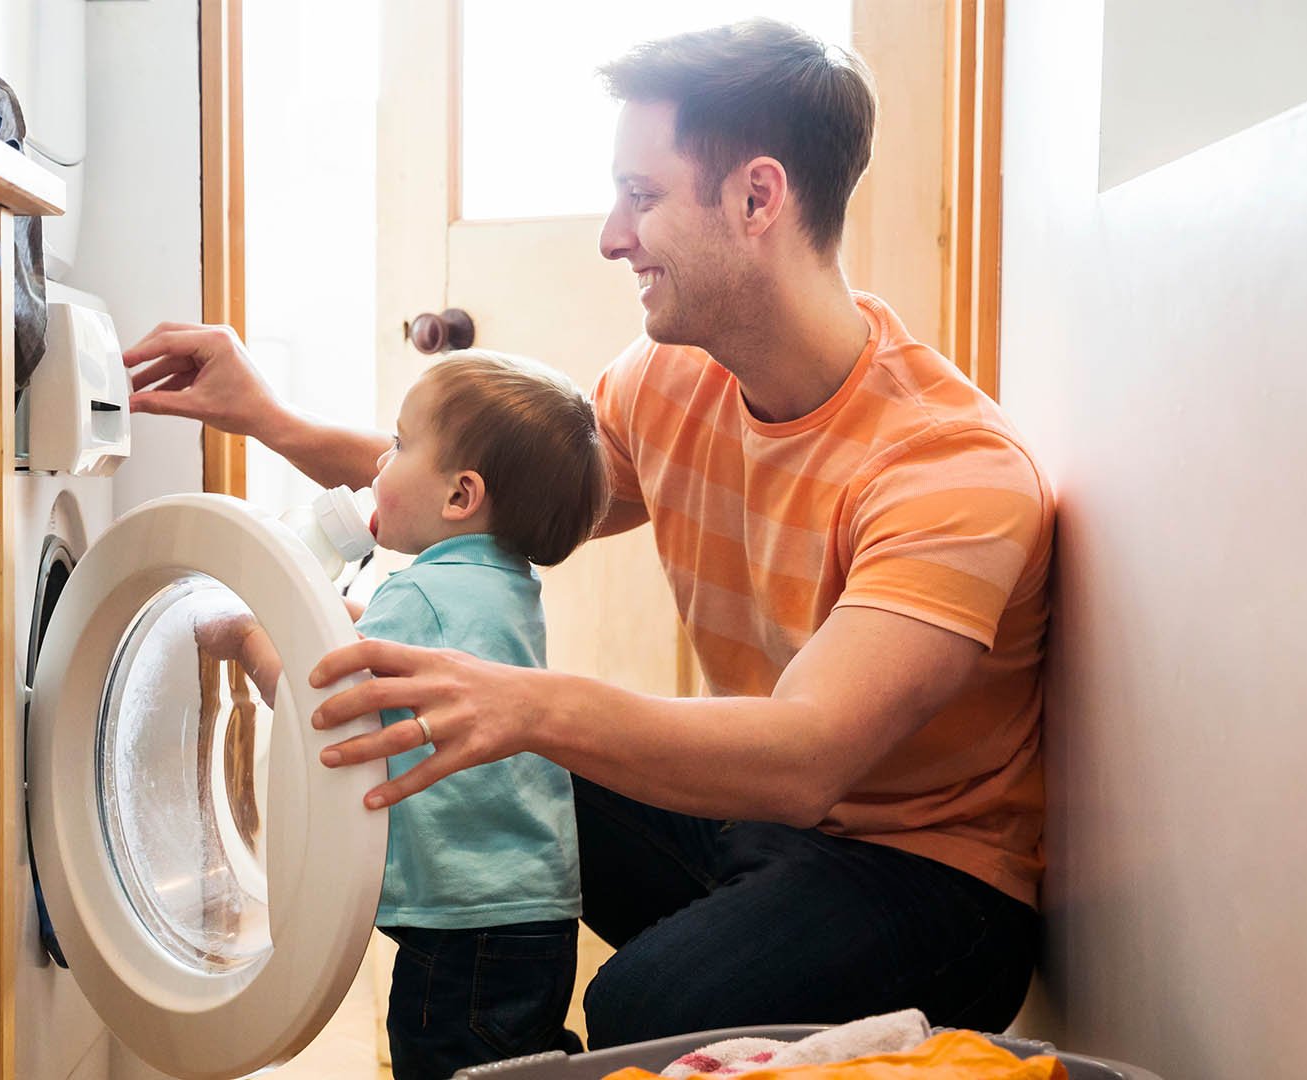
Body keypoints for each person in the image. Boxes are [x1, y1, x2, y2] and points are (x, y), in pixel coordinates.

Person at [129, 18, 1052, 1048]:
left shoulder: (948, 469)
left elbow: (808, 756)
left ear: (758, 198)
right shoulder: (674, 379)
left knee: (641, 1007)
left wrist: (522, 702)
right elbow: (489, 493)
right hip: (761, 833)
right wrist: (269, 416)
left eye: (640, 196)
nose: (612, 235)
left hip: (933, 882)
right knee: (483, 763)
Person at [197, 351, 610, 1079]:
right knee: (519, 1060)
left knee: (447, 1063)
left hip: (461, 926)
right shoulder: (502, 586)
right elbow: (387, 647)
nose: (377, 464)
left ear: (460, 496)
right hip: (529, 909)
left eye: (397, 444)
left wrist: (248, 636)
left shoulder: (420, 596)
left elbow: (330, 697)